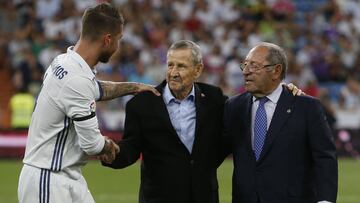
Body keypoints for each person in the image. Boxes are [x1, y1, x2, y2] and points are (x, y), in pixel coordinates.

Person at [18, 3, 159, 203]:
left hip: (67, 175)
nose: (118, 46)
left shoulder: (65, 62)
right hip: (48, 179)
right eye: (118, 39)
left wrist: (134, 87)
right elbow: (92, 144)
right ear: (107, 40)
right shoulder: (77, 79)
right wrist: (111, 147)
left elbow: (96, 89)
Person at [102, 40, 227, 203]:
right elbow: (131, 147)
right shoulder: (142, 104)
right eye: (170, 65)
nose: (173, 72)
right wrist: (112, 154)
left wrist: (206, 164)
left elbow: (226, 140)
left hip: (203, 196)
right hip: (159, 198)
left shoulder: (214, 98)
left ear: (198, 70)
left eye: (181, 66)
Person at [222, 42, 338, 203]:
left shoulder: (307, 107)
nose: (246, 71)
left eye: (254, 66)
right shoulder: (234, 106)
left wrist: (325, 201)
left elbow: (324, 157)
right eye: (245, 65)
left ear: (276, 71)